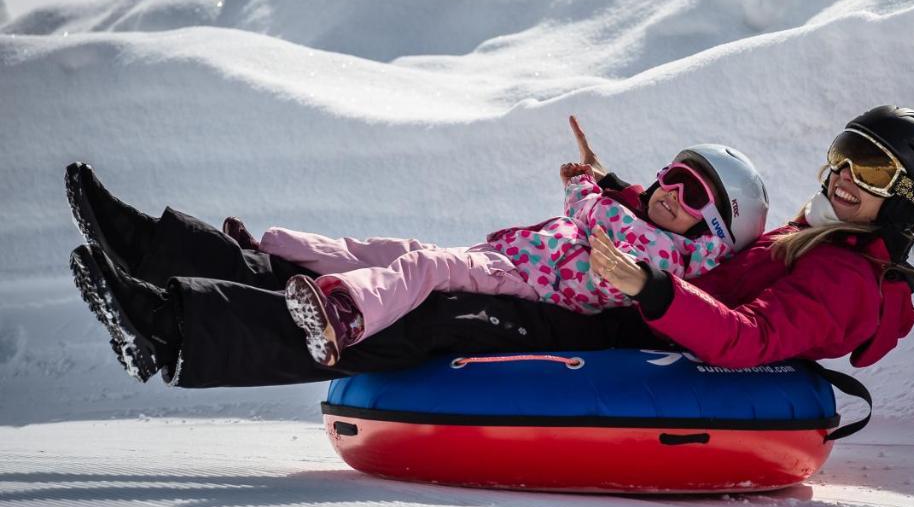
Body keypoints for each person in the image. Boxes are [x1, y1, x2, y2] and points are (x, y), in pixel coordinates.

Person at [66, 107, 914, 388]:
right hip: (615, 297)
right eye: (846, 154)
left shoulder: (848, 276)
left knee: (420, 313)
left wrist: (650, 290)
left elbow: (751, 337)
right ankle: (156, 252)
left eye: (870, 169)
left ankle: (172, 327)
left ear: (907, 200)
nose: (845, 176)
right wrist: (615, 198)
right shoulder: (816, 234)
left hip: (619, 330)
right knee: (379, 267)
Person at [236, 144, 767, 366]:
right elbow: (607, 208)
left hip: (527, 282)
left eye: (694, 195)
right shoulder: (643, 221)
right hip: (511, 258)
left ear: (714, 233)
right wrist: (595, 183)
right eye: (674, 178)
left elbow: (596, 217)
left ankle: (346, 313)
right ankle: (275, 251)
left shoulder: (666, 255)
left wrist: (586, 186)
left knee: (424, 266)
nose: (673, 193)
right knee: (399, 251)